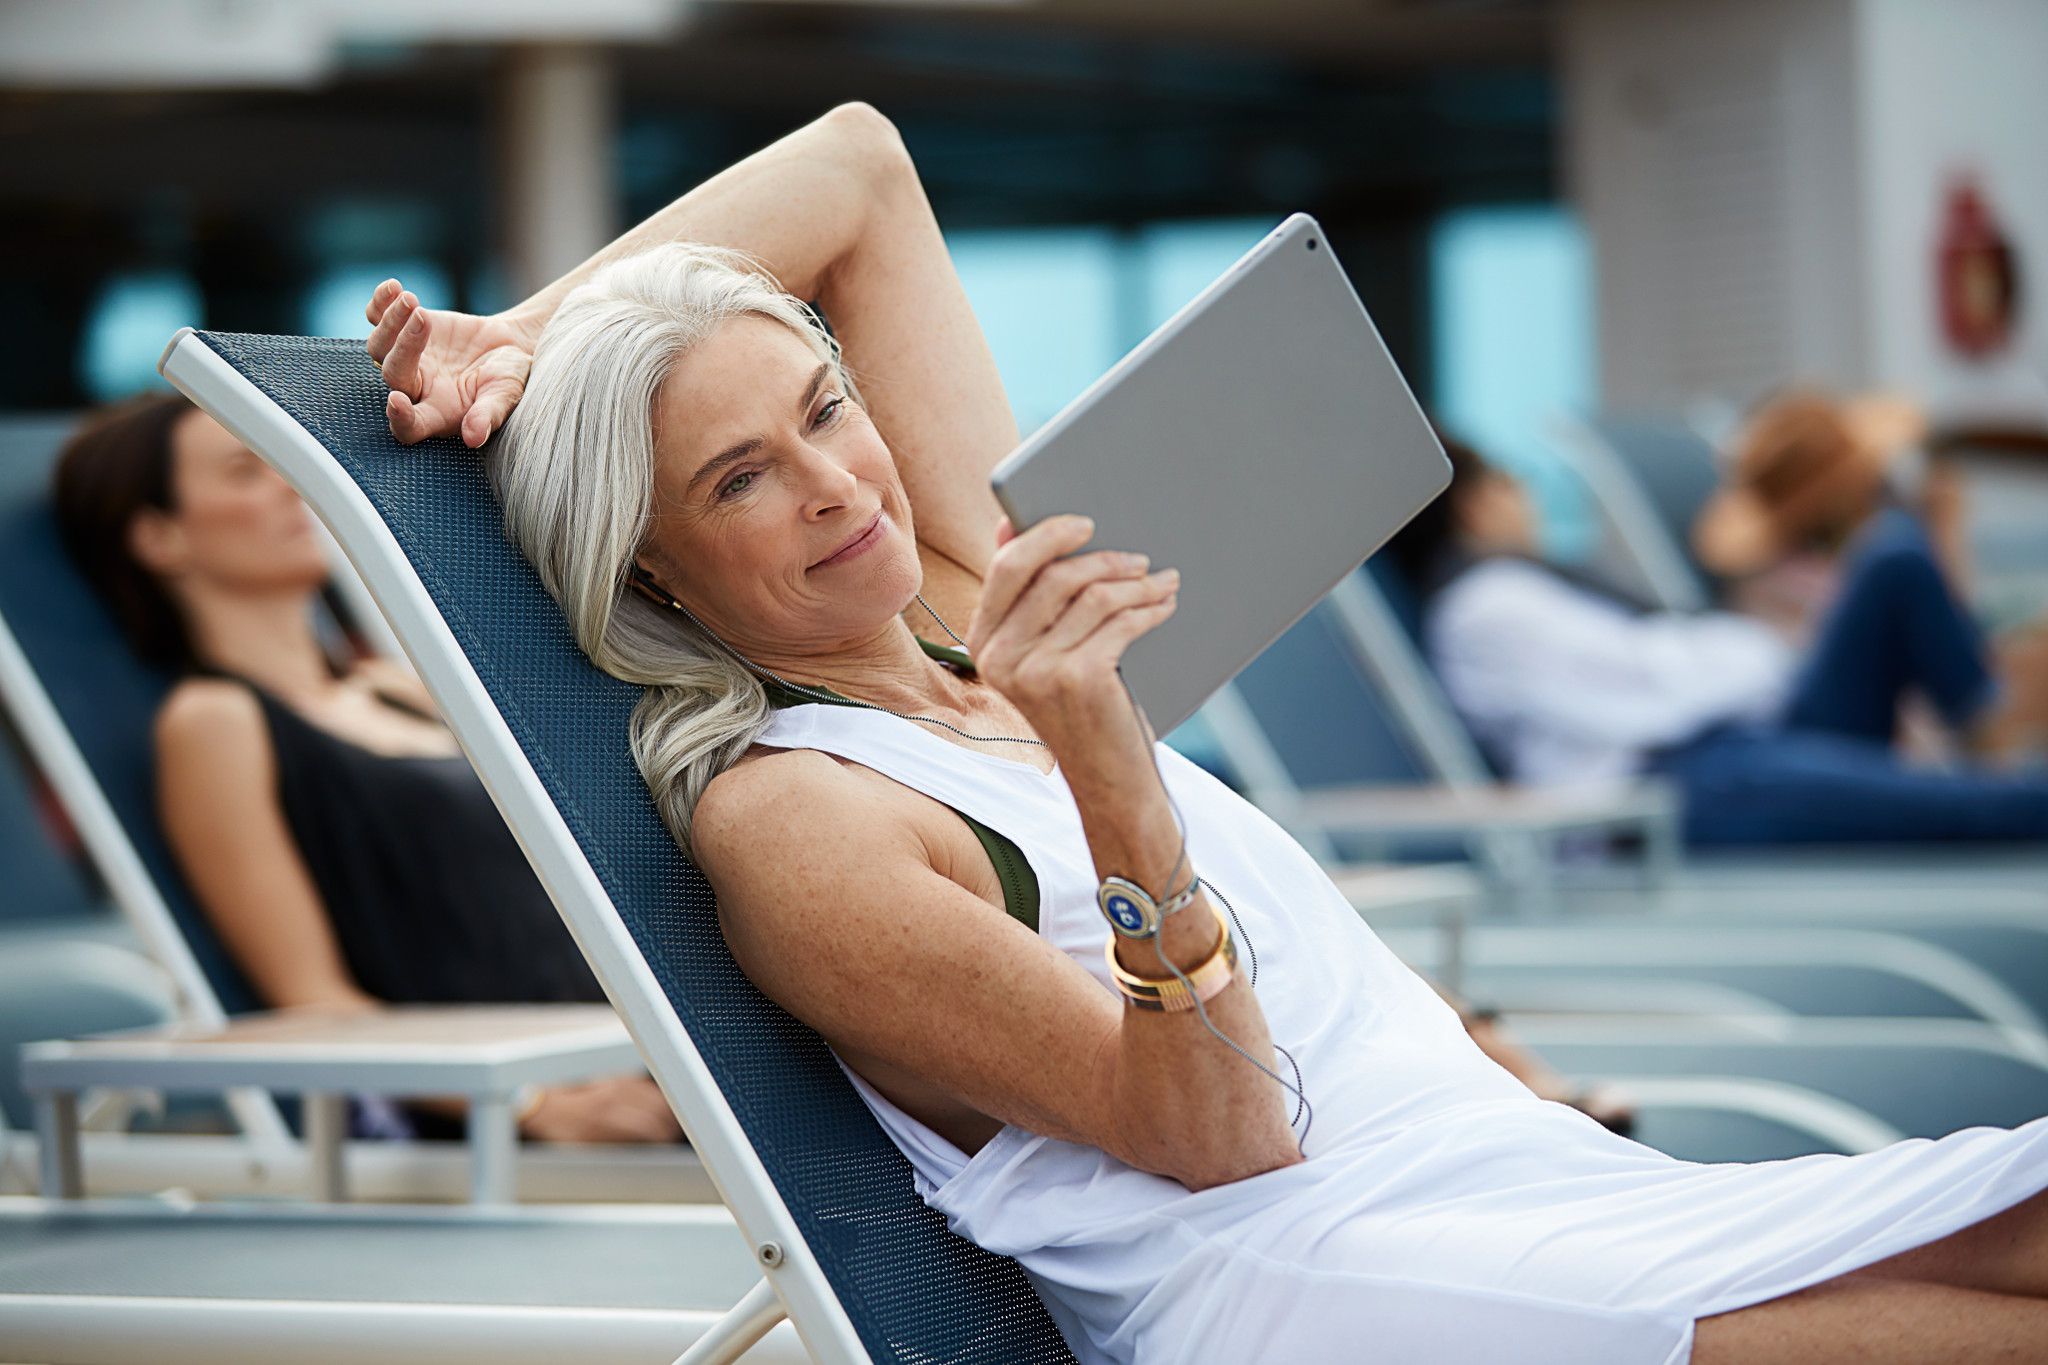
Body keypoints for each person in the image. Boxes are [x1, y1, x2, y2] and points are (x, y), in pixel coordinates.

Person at [363, 102, 2048, 1363]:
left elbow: (861, 168)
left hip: (1484, 1164)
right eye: (740, 478)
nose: (831, 485)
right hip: (1324, 1272)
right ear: (648, 558)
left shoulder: (951, 596)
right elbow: (1219, 1138)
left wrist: (525, 335)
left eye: (825, 408)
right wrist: (1104, 763)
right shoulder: (797, 819)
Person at [52, 396, 681, 1144]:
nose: (289, 483)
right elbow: (314, 1003)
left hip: (645, 1060)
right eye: (243, 471)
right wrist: (535, 1106)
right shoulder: (215, 722)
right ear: (160, 537)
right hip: (532, 1114)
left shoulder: (395, 686)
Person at [1391, 425, 2048, 845]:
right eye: (1511, 482)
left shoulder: (1520, 586)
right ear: (1474, 505)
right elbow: (1657, 690)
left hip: (1743, 741)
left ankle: (1991, 748)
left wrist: (1745, 651)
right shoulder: (1486, 608)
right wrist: (1760, 648)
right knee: (1978, 808)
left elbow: (1671, 660)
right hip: (1692, 780)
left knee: (1894, 558)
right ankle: (1998, 773)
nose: (1528, 494)